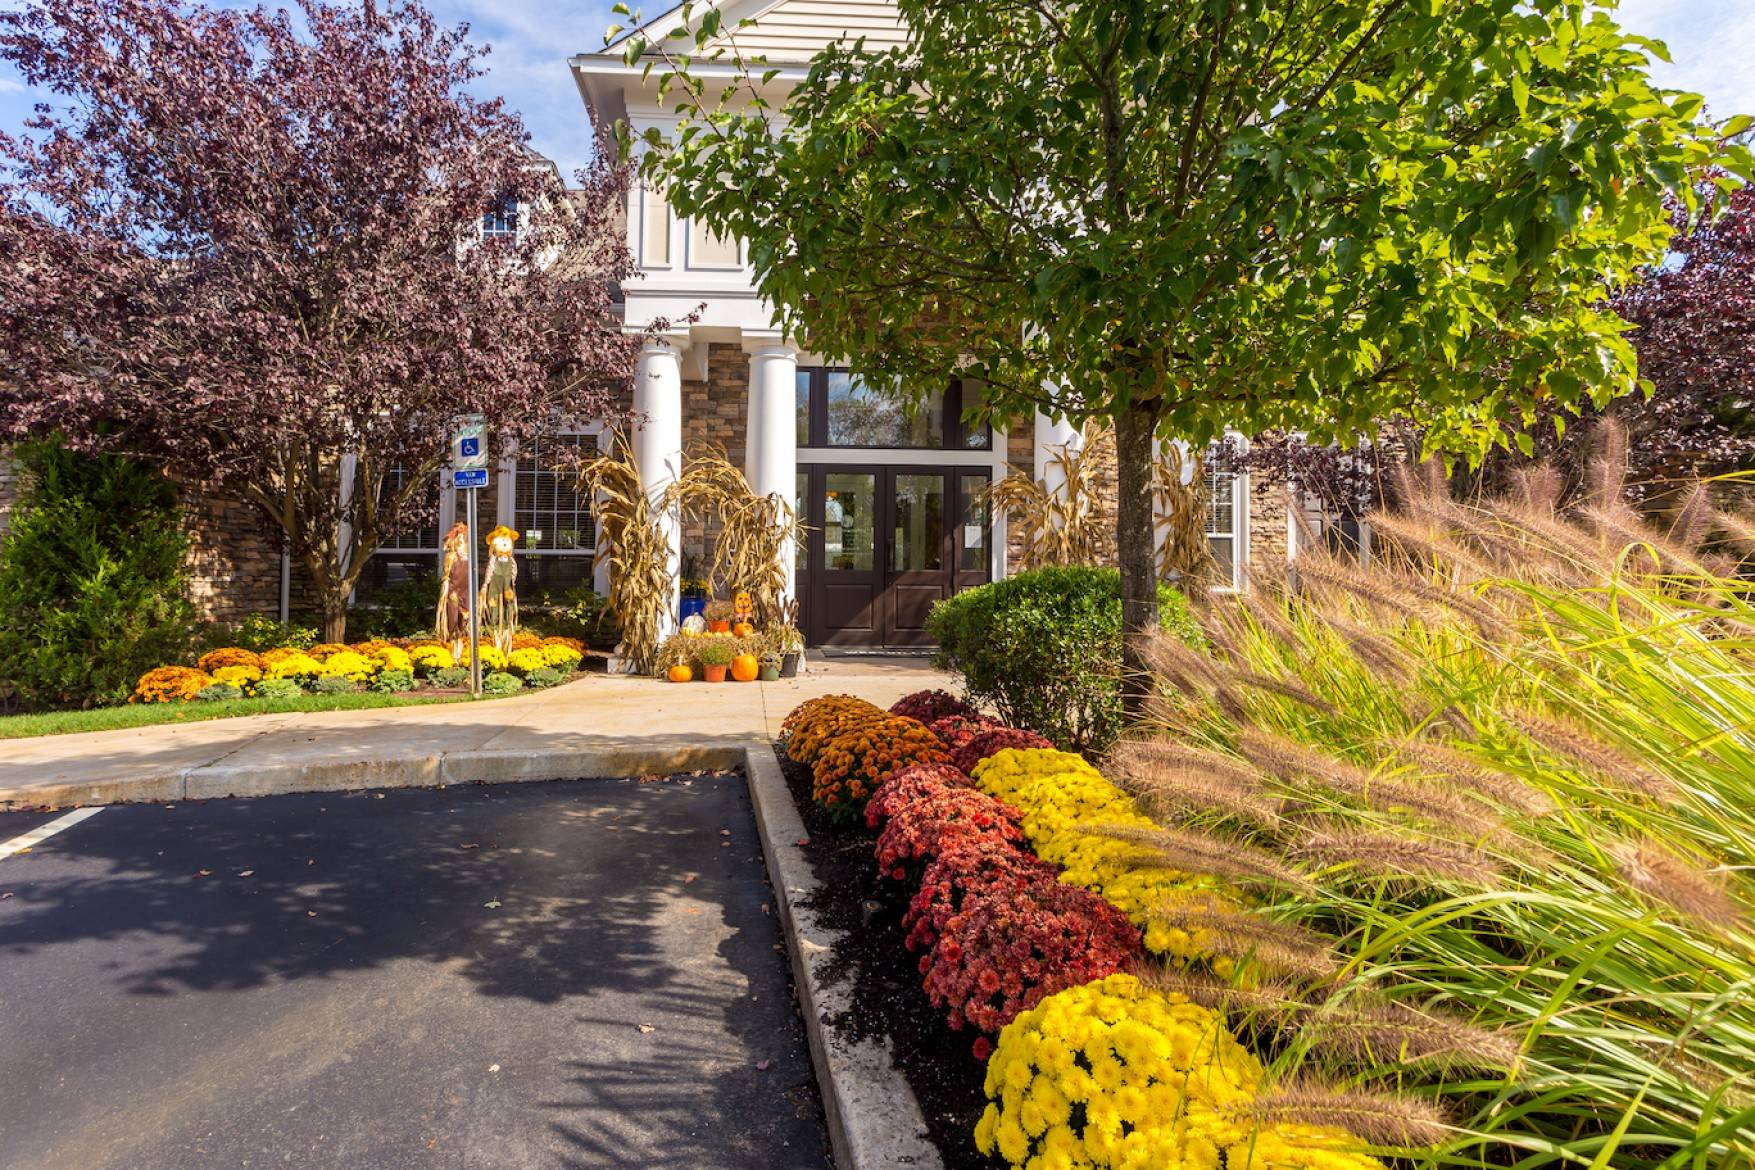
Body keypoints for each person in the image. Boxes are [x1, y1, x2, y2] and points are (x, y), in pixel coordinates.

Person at [479, 525, 520, 657]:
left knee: (508, 606)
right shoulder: (494, 559)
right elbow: (489, 571)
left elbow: (514, 571)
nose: (504, 543)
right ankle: (495, 631)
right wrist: (486, 584)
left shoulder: (511, 560)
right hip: (495, 587)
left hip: (507, 587)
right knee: (494, 606)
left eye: (506, 541)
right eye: (501, 540)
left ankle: (507, 631)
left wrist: (512, 581)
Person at [435, 522, 472, 661]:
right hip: (453, 592)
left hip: (465, 592)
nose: (463, 545)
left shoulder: (468, 560)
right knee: (452, 616)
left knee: (465, 616)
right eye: (460, 542)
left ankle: (460, 646)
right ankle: (453, 646)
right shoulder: (451, 557)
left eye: (464, 542)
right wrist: (446, 588)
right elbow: (446, 576)